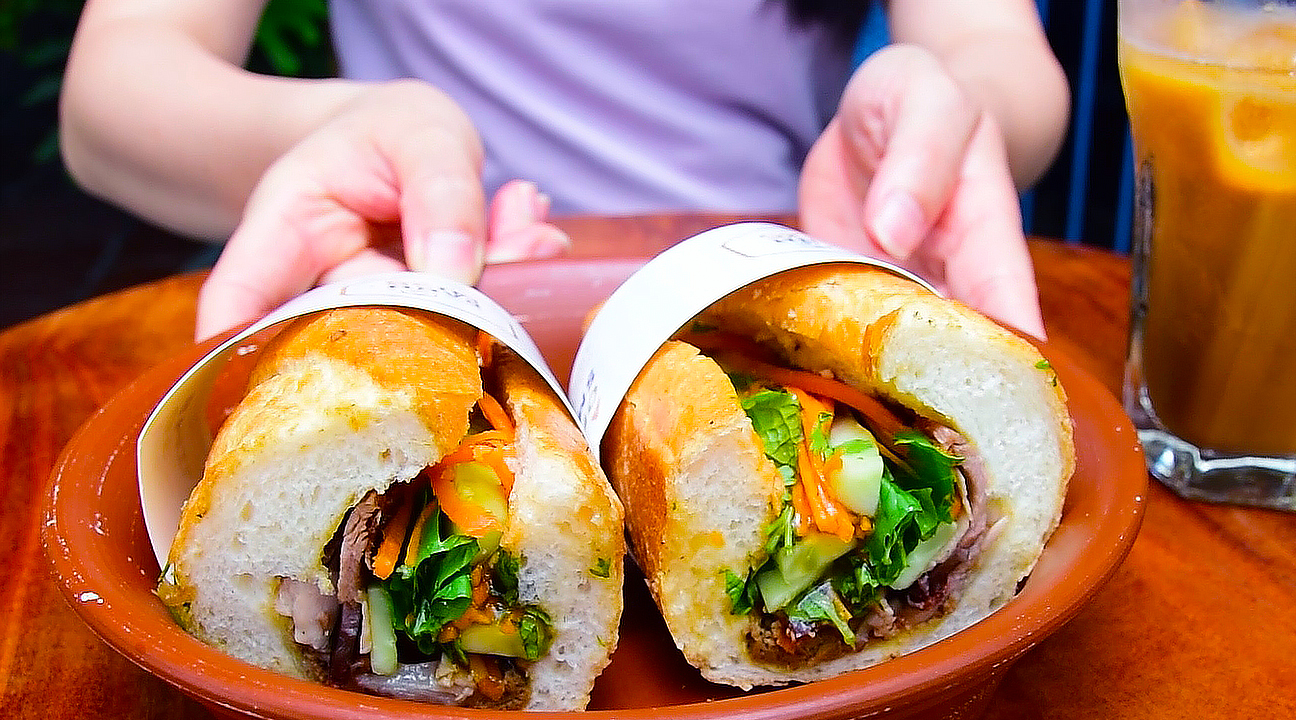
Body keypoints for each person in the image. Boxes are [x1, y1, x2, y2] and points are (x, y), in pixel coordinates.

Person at [58, 0, 1069, 342]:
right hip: (431, 294)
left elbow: (995, 48)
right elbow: (113, 88)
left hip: (776, 293)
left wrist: (941, 118)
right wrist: (335, 124)